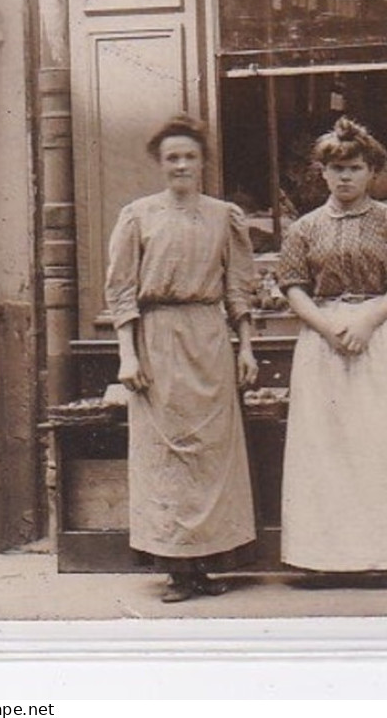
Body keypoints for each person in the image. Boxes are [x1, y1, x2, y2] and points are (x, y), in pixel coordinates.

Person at [275, 117, 387, 583]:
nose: (345, 176)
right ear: (322, 173)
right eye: (336, 168)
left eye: (355, 167)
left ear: (372, 171)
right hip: (323, 338)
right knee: (327, 449)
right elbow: (292, 285)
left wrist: (369, 319)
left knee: (380, 444)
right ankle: (326, 557)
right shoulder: (304, 228)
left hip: (379, 336)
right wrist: (327, 327)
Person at [105, 114, 258, 603]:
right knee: (166, 455)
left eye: (190, 156)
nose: (181, 165)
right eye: (172, 157)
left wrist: (247, 347)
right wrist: (128, 356)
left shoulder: (224, 216)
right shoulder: (138, 216)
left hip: (209, 338)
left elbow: (239, 288)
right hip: (158, 338)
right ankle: (177, 569)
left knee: (212, 454)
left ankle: (209, 563)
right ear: (160, 164)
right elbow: (121, 291)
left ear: (202, 162)